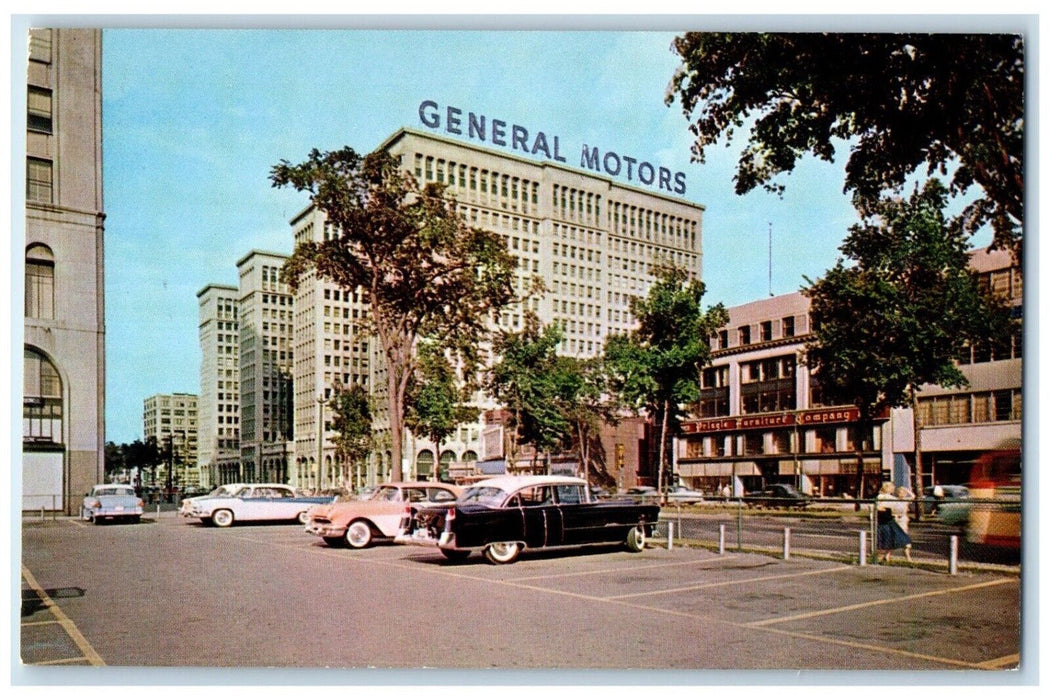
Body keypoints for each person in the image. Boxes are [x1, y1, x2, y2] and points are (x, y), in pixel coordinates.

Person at [875, 481, 911, 564]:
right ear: (888, 488)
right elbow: (879, 507)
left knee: (895, 538)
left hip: (889, 520)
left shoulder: (890, 498)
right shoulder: (883, 497)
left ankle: (886, 557)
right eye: (892, 488)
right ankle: (879, 557)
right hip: (885, 521)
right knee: (885, 539)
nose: (893, 489)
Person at [893, 486, 914, 562]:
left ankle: (908, 556)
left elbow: (913, 496)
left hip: (903, 520)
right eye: (900, 493)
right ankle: (886, 555)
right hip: (896, 519)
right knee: (894, 538)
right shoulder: (894, 500)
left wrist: (907, 490)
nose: (901, 495)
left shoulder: (906, 500)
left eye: (903, 493)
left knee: (904, 537)